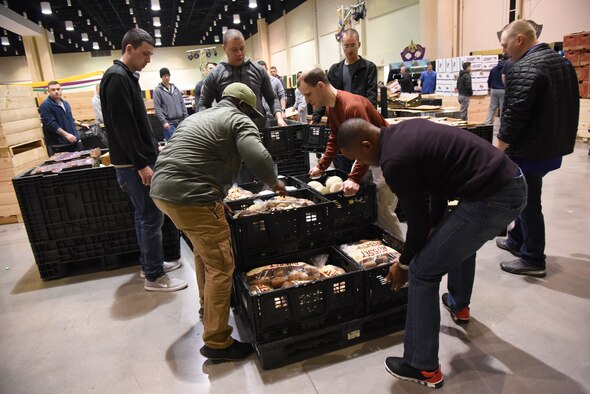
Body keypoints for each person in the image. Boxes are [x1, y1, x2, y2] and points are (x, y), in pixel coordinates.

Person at [337, 117, 527, 388]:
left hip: (493, 196)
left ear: (366, 145)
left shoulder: (393, 161)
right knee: (456, 240)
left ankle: (421, 365)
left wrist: (402, 265)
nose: (363, 166)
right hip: (508, 180)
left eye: (358, 158)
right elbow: (438, 187)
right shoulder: (403, 132)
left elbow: (416, 223)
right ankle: (459, 305)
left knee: (423, 271)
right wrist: (437, 226)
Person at [151, 83, 286, 361]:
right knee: (222, 264)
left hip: (163, 190)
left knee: (205, 252)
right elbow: (257, 156)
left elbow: (197, 157)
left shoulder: (199, 116)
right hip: (191, 196)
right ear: (245, 106)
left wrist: (214, 196)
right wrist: (274, 181)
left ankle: (206, 307)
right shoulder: (238, 118)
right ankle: (217, 341)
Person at [100, 28, 187, 292]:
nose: (148, 60)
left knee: (145, 216)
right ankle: (154, 276)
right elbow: (123, 127)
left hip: (136, 161)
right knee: (151, 217)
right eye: (145, 53)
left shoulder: (125, 76)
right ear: (129, 49)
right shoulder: (116, 78)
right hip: (132, 165)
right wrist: (141, 164)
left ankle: (150, 264)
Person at [495, 20, 579, 277]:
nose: (505, 51)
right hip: (552, 145)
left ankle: (533, 258)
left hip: (530, 150)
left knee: (528, 201)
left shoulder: (526, 66)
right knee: (525, 196)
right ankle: (517, 239)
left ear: (520, 40)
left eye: (506, 45)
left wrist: (498, 151)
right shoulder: (561, 62)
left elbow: (514, 115)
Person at [299, 67, 404, 241]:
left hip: (388, 156)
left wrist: (354, 178)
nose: (306, 100)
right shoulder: (332, 108)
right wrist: (321, 166)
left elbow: (365, 146)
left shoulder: (351, 106)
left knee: (383, 209)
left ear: (320, 86)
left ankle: (402, 252)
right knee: (371, 207)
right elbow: (335, 138)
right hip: (371, 158)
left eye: (308, 94)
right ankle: (382, 246)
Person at [312, 28, 378, 173]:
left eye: (352, 45)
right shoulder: (334, 69)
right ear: (342, 46)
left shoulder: (368, 67)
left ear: (359, 45)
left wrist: (365, 121)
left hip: (360, 122)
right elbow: (327, 95)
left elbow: (371, 95)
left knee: (364, 165)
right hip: (339, 124)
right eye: (346, 45)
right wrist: (317, 116)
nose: (349, 49)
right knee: (342, 167)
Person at [198, 29, 286, 129]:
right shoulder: (215, 75)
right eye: (234, 50)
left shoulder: (258, 70)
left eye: (242, 48)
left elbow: (271, 97)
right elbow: (203, 104)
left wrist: (279, 118)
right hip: (228, 132)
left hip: (259, 128)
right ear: (224, 48)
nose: (239, 53)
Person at [39, 80, 87, 153]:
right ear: (48, 91)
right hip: (60, 145)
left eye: (58, 89)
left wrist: (81, 124)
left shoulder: (65, 103)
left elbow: (70, 119)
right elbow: (51, 124)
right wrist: (66, 135)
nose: (56, 91)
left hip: (73, 141)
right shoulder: (45, 106)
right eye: (53, 90)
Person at [154, 67, 188, 142]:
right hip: (169, 124)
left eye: (168, 75)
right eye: (164, 76)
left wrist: (186, 117)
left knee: (183, 143)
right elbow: (157, 108)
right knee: (172, 145)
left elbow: (182, 103)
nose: (166, 77)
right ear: (161, 77)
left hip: (181, 122)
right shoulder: (158, 91)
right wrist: (164, 122)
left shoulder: (175, 89)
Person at [485, 55, 507, 124]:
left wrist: (489, 89)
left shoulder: (493, 69)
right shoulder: (506, 69)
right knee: (502, 107)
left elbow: (489, 80)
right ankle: (502, 124)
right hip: (502, 90)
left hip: (493, 90)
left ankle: (487, 122)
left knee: (492, 107)